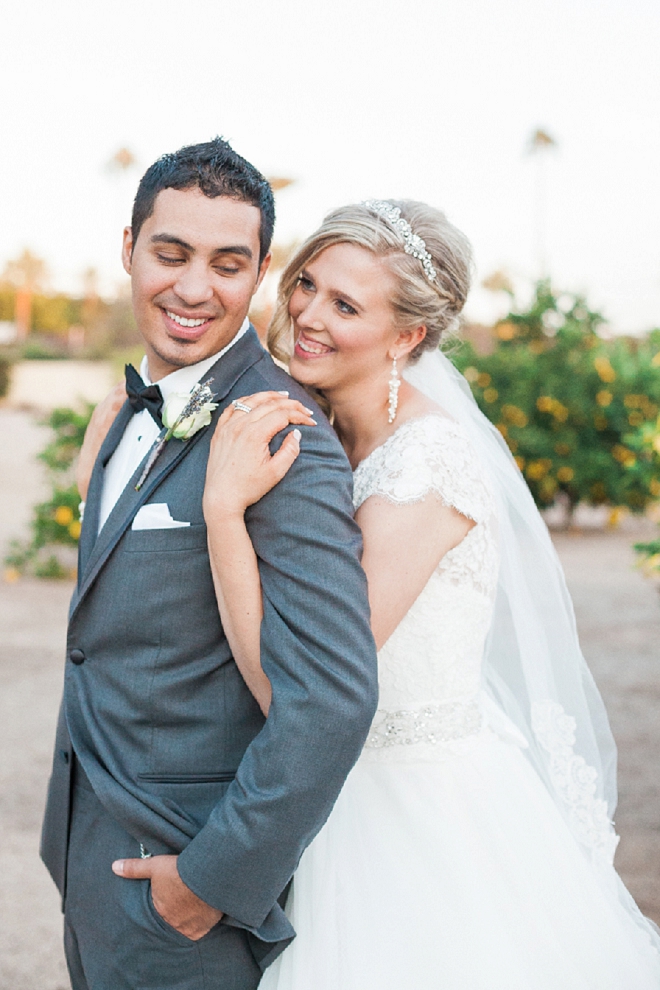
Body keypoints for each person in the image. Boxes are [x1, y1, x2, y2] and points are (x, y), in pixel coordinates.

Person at [198, 199, 660, 988]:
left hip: (415, 813)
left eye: (345, 305)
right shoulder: (320, 433)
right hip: (329, 795)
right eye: (306, 283)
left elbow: (298, 689)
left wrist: (222, 513)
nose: (305, 312)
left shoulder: (426, 469)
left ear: (408, 336)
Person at [39, 139, 379, 990]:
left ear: (260, 272)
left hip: (184, 886)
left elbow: (334, 696)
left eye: (228, 264)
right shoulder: (125, 410)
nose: (194, 288)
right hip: (90, 854)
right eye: (171, 253)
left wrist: (211, 883)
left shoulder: (281, 434)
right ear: (129, 248)